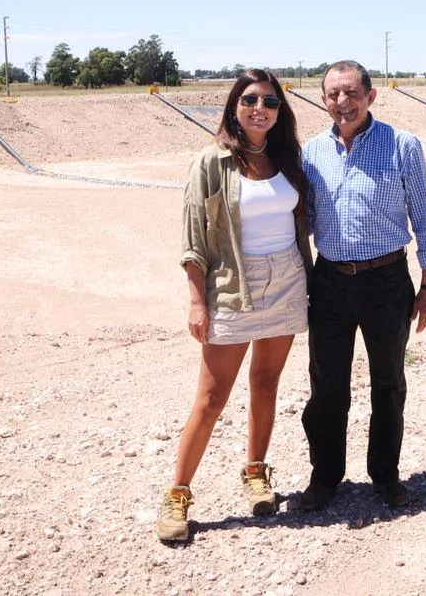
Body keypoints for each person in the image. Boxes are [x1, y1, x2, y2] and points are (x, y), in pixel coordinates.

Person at [158, 69, 314, 542]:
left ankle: (255, 473)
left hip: (286, 279)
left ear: (279, 110)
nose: (259, 108)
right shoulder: (211, 161)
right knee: (210, 398)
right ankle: (178, 496)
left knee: (266, 382)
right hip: (232, 285)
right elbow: (193, 239)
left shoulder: (287, 157)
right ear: (234, 106)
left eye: (270, 101)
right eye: (249, 100)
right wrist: (195, 300)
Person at [298, 60, 426, 512]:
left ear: (370, 95)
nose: (342, 102)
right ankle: (325, 478)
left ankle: (386, 477)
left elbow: (424, 215)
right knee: (327, 387)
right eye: (333, 94)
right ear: (323, 100)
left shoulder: (403, 145)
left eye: (351, 93)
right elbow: (301, 222)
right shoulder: (310, 153)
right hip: (330, 282)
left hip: (386, 282)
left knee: (388, 383)